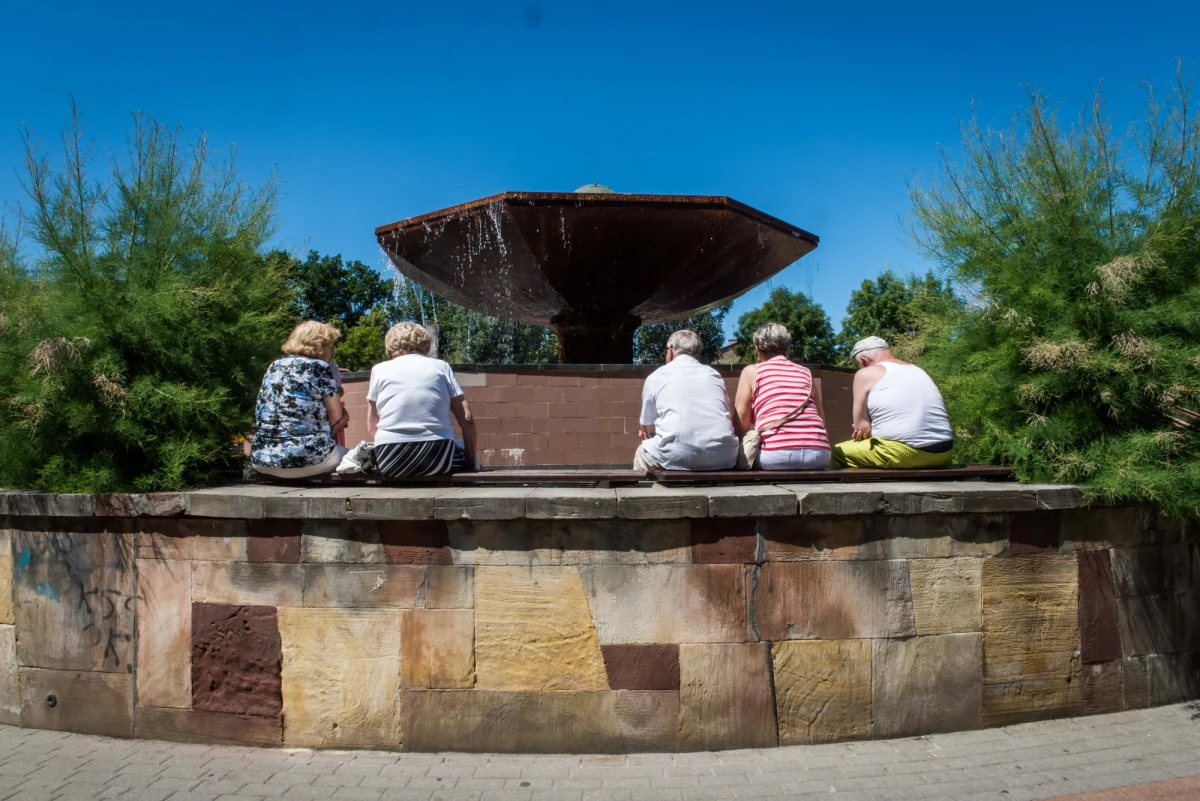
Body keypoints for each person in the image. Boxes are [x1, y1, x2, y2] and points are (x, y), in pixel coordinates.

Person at [366, 322, 476, 477]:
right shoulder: (441, 367)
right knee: (460, 451)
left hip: (390, 461)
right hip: (437, 457)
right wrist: (470, 464)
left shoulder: (378, 370)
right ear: (425, 343)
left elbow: (372, 426)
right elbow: (467, 418)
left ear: (390, 345)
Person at [830, 336, 953, 469]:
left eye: (858, 365)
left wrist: (864, 427)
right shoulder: (918, 370)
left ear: (865, 361)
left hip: (905, 453)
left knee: (835, 453)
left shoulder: (865, 373)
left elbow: (862, 428)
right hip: (944, 453)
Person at [250, 321, 349, 478]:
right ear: (320, 345)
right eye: (330, 347)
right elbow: (336, 419)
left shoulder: (274, 366)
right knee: (354, 458)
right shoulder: (320, 367)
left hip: (263, 460)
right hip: (307, 460)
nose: (332, 353)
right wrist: (345, 415)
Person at [633, 329, 738, 472]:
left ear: (670, 351)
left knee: (641, 453)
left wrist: (650, 437)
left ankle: (644, 493)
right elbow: (726, 413)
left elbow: (647, 428)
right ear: (698, 353)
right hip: (724, 456)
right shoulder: (714, 375)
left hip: (675, 455)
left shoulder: (656, 377)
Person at [733, 323, 831, 470]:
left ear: (758, 350)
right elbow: (821, 418)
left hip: (776, 455)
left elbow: (741, 422)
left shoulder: (752, 371)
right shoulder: (806, 372)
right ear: (787, 348)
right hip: (819, 454)